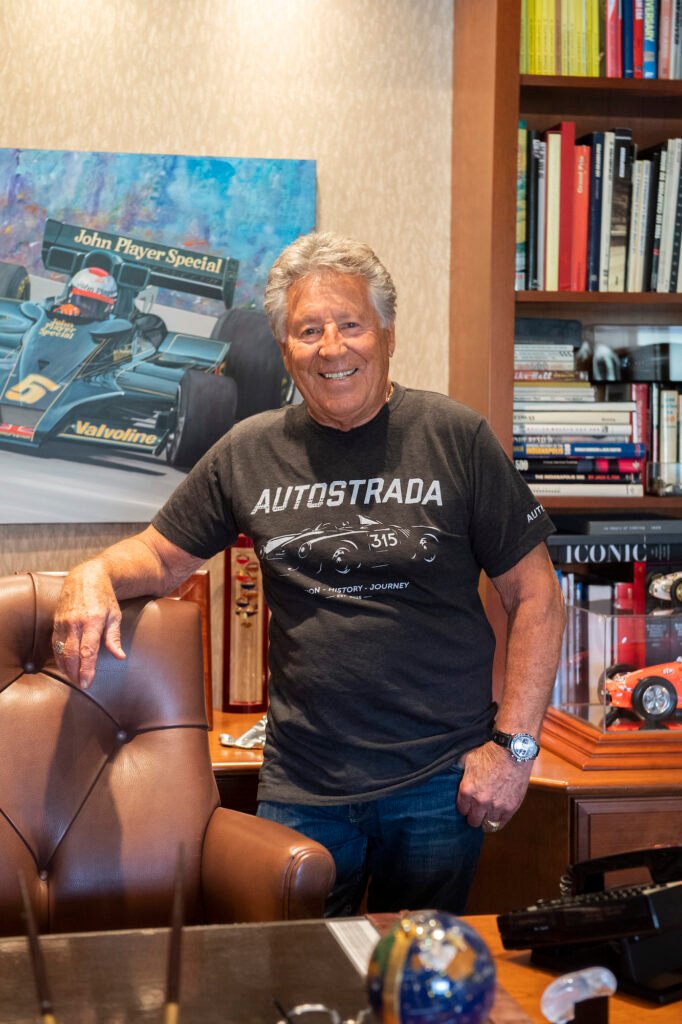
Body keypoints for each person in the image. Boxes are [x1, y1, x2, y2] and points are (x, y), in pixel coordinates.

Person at [52, 231, 565, 916]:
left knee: (418, 987)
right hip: (302, 784)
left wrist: (514, 748)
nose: (331, 348)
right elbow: (157, 555)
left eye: (350, 324)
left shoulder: (455, 436)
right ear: (285, 349)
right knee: (293, 985)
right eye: (307, 331)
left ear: (385, 332)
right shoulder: (248, 450)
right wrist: (91, 575)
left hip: (439, 782)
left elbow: (537, 595)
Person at [53, 265, 117, 320]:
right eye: (84, 301)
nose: (87, 308)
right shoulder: (57, 310)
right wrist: (59, 314)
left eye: (97, 305)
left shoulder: (112, 327)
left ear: (109, 307)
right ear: (70, 295)